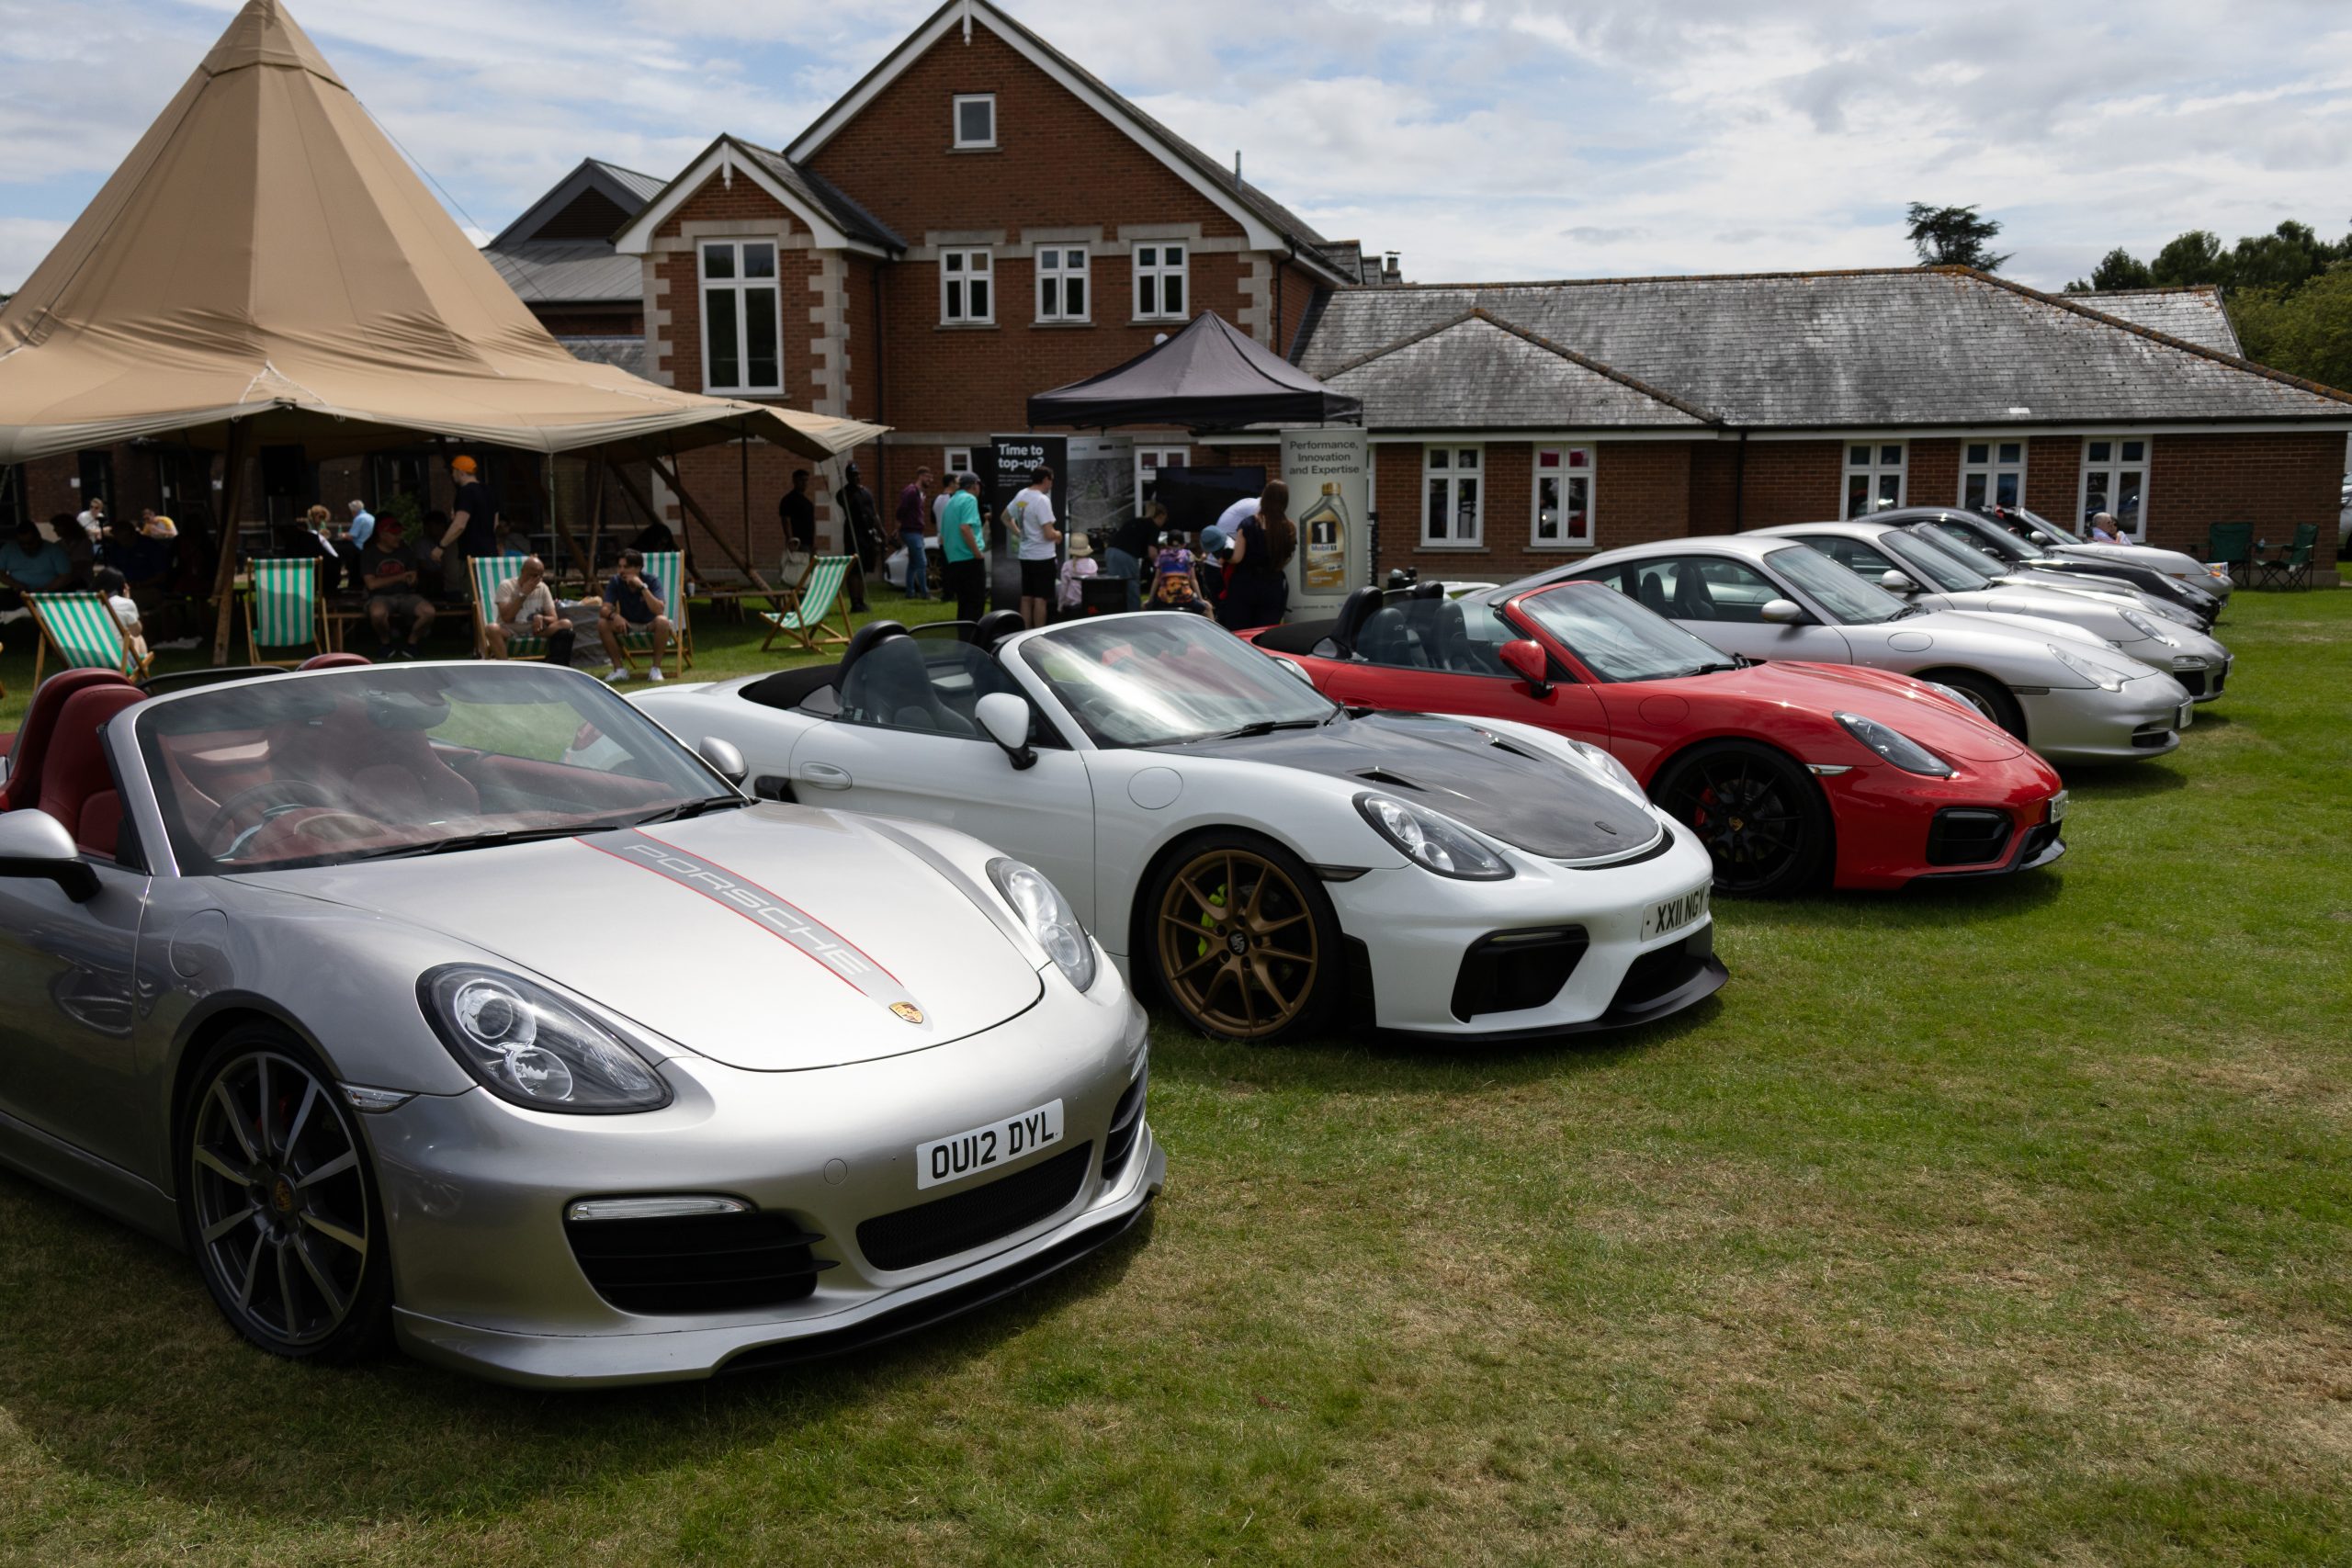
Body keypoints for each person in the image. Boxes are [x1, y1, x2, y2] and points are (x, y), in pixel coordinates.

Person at [1217, 480, 1294, 632]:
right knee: (1264, 634)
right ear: (1285, 501)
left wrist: (1224, 554)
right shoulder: (1289, 527)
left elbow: (1237, 558)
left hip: (1244, 585)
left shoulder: (1249, 524)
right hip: (1273, 586)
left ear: (1265, 498)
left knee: (1240, 634)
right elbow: (1286, 559)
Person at [360, 513, 436, 659]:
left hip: (406, 595)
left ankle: (412, 644)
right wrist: (400, 577)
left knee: (428, 612)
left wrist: (412, 580)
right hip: (379, 597)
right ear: (382, 535)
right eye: (394, 534)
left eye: (400, 533)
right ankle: (385, 644)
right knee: (377, 614)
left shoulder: (406, 551)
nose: (399, 537)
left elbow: (413, 577)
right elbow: (371, 584)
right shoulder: (369, 553)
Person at [599, 548, 673, 682]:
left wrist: (642, 587)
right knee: (603, 623)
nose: (621, 571)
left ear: (638, 568)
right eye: (619, 567)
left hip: (650, 624)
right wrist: (615, 616)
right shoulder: (616, 581)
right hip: (627, 625)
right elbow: (604, 609)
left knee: (662, 621)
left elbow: (659, 610)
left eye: (626, 567)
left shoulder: (652, 580)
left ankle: (655, 669)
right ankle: (619, 670)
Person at [487, 554, 575, 665]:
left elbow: (554, 618)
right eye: (533, 575)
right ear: (522, 572)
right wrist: (523, 594)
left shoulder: (542, 588)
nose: (537, 579)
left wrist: (542, 618)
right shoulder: (506, 586)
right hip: (510, 630)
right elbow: (506, 618)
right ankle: (505, 666)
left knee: (566, 623)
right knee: (491, 628)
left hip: (535, 631)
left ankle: (556, 663)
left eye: (540, 576)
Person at [432, 454, 498, 587]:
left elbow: (460, 524)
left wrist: (441, 546)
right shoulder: (489, 491)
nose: (452, 475)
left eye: (453, 471)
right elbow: (495, 523)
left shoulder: (466, 492)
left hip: (472, 555)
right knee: (489, 594)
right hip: (490, 553)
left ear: (461, 472)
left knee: (473, 595)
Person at [1008, 465, 1061, 628]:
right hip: (1042, 556)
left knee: (1026, 598)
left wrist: (1020, 533)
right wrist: (1058, 534)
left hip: (1025, 555)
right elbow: (1048, 533)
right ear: (1045, 479)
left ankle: (1023, 634)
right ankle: (1038, 635)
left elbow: (1005, 517)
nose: (1052, 484)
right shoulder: (1042, 500)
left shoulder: (1022, 495)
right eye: (1051, 480)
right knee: (1040, 599)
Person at [941, 471, 989, 622]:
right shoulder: (969, 499)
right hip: (969, 558)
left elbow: (944, 534)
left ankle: (963, 635)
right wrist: (977, 553)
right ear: (975, 485)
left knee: (963, 604)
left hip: (954, 559)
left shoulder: (951, 501)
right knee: (975, 604)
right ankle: (972, 636)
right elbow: (965, 528)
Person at [835, 462, 884, 611]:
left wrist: (882, 531)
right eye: (853, 475)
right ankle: (854, 602)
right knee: (854, 569)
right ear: (847, 476)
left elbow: (874, 514)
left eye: (857, 474)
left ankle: (861, 600)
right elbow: (845, 504)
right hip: (853, 534)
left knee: (864, 568)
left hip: (867, 534)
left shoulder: (866, 492)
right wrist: (852, 491)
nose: (856, 477)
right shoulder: (844, 493)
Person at [0, 519, 73, 608]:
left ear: (38, 537)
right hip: (18, 593)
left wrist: (45, 589)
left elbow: (65, 575)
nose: (26, 546)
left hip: (49, 593)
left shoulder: (54, 550)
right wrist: (15, 584)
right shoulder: (8, 549)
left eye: (30, 543)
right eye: (22, 544)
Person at [1105, 502, 1159, 612]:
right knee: (1131, 587)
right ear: (1161, 516)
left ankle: (1114, 612)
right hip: (1126, 555)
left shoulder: (1135, 521)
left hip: (1110, 552)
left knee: (1116, 587)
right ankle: (1134, 613)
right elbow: (1152, 553)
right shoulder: (1153, 525)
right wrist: (1160, 566)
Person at [92, 566, 149, 665]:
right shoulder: (124, 604)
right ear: (122, 586)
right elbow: (136, 632)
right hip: (117, 662)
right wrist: (128, 601)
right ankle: (140, 672)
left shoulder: (86, 604)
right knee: (137, 638)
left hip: (90, 660)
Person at [896, 465, 934, 600]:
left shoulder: (919, 493)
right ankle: (925, 593)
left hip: (916, 531)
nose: (930, 480)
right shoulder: (911, 491)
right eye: (928, 477)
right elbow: (901, 509)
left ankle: (910, 592)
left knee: (913, 563)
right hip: (910, 531)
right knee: (922, 562)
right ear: (921, 476)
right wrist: (899, 524)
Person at [1147, 550, 1209, 615]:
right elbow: (1193, 579)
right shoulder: (1189, 554)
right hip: (1186, 598)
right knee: (1208, 608)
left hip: (1164, 600)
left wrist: (1150, 599)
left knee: (1145, 607)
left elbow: (1156, 579)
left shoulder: (1161, 555)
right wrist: (1201, 599)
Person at [779, 468, 817, 575]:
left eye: (806, 480)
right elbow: (786, 520)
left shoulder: (808, 503)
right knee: (797, 571)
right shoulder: (788, 500)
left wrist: (814, 543)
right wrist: (790, 539)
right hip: (797, 542)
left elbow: (812, 523)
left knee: (809, 571)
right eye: (801, 480)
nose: (804, 483)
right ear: (795, 481)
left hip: (808, 542)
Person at [1057, 531, 1100, 615]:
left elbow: (1064, 588)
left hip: (1073, 605)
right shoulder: (1092, 563)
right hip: (1090, 605)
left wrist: (1060, 606)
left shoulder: (1067, 565)